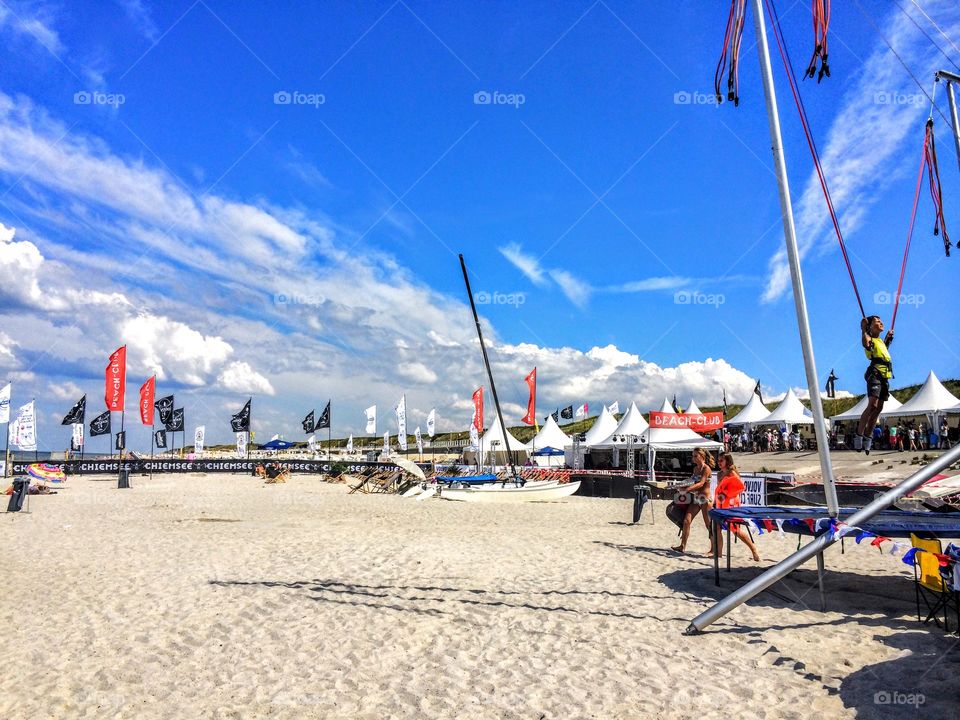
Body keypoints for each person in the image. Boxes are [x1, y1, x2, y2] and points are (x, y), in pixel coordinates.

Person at [855, 316, 893, 454]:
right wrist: (863, 329)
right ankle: (859, 436)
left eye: (881, 320)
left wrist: (888, 339)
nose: (881, 322)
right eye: (877, 321)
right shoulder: (869, 339)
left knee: (878, 409)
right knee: (872, 405)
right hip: (875, 374)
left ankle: (868, 436)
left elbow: (883, 350)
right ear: (870, 327)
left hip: (884, 376)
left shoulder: (879, 342)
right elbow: (866, 345)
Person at [713, 453, 761, 561]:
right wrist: (716, 502)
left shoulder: (732, 473)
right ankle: (719, 554)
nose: (719, 463)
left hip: (731, 503)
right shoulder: (719, 474)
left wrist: (726, 495)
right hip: (721, 503)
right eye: (718, 460)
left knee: (735, 530)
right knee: (716, 528)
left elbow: (739, 488)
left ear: (727, 461)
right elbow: (719, 489)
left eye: (721, 460)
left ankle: (753, 549)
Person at [671, 448, 715, 555]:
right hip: (697, 499)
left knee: (708, 525)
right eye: (693, 456)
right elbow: (692, 481)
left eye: (696, 456)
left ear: (702, 456)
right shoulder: (695, 469)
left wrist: (686, 490)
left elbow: (701, 483)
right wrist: (680, 486)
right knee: (686, 520)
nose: (693, 458)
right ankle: (682, 546)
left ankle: (713, 549)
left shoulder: (706, 468)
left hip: (705, 500)